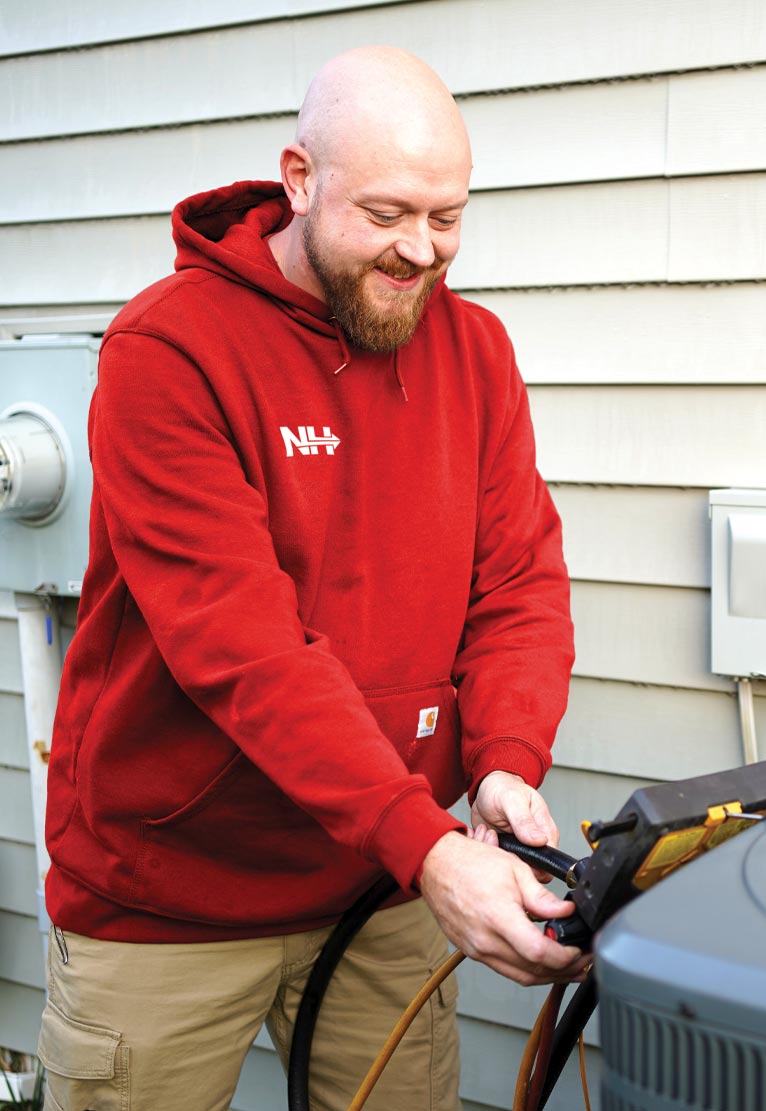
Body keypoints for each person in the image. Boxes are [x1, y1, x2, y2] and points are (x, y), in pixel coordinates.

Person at [38, 45, 586, 1111]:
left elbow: (519, 584)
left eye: (447, 217)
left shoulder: (475, 353)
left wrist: (506, 760)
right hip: (169, 894)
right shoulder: (170, 349)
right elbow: (240, 645)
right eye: (386, 214)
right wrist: (424, 843)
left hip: (376, 887)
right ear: (299, 178)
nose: (421, 251)